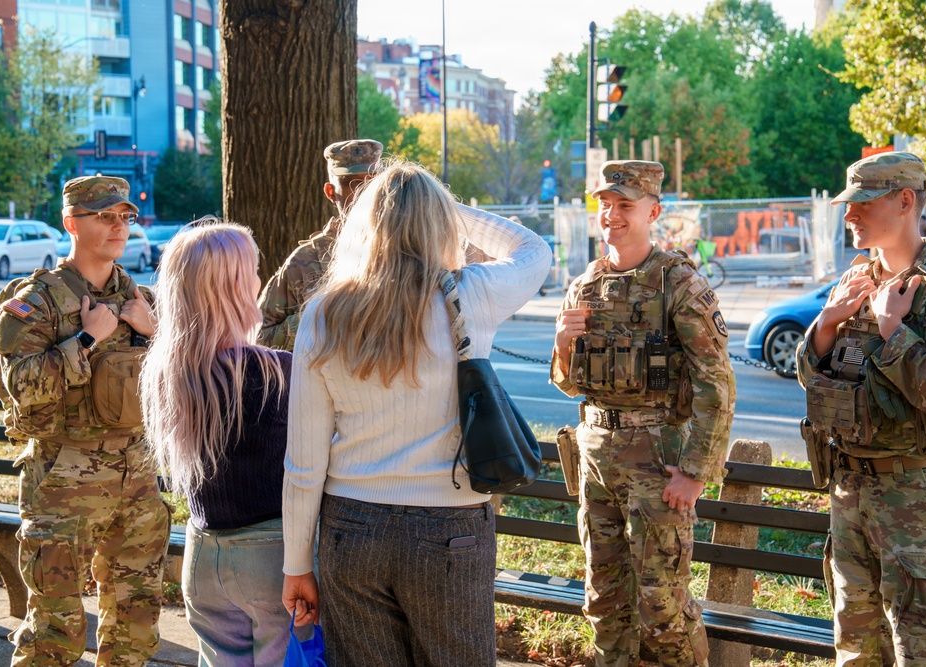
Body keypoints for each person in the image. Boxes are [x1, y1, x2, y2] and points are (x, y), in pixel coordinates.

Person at [281, 162, 551, 666]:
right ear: (441, 223)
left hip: (351, 527)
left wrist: (297, 563)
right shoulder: (470, 293)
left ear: (365, 225)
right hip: (450, 529)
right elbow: (535, 251)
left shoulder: (323, 313)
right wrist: (452, 208)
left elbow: (303, 461)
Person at [551, 161, 735, 667]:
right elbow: (571, 384)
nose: (611, 215)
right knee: (604, 602)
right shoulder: (585, 284)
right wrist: (564, 345)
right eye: (604, 204)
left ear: (653, 211)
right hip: (595, 460)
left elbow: (715, 384)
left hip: (656, 461)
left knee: (662, 608)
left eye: (624, 205)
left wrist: (697, 473)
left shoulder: (679, 285)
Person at [0, 175, 170, 666]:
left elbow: (177, 389)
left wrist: (156, 336)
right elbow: (22, 391)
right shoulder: (36, 302)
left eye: (125, 217)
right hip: (64, 481)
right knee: (54, 634)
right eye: (104, 216)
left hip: (137, 477)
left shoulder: (142, 300)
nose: (119, 227)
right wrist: (86, 341)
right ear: (71, 222)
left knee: (135, 629)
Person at [797, 151, 926, 665]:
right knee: (858, 654)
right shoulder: (856, 279)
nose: (849, 215)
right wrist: (826, 324)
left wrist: (895, 331)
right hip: (850, 497)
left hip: (918, 506)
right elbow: (812, 378)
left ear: (905, 201)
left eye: (862, 203)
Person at [140, 219, 292, 666]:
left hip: (203, 552)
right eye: (253, 271)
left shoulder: (166, 372)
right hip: (272, 556)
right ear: (234, 286)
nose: (261, 281)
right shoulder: (276, 370)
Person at [257, 139, 384, 351]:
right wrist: (318, 321)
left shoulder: (402, 249)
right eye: (350, 183)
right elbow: (260, 338)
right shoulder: (304, 261)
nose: (363, 192)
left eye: (371, 182)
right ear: (330, 192)